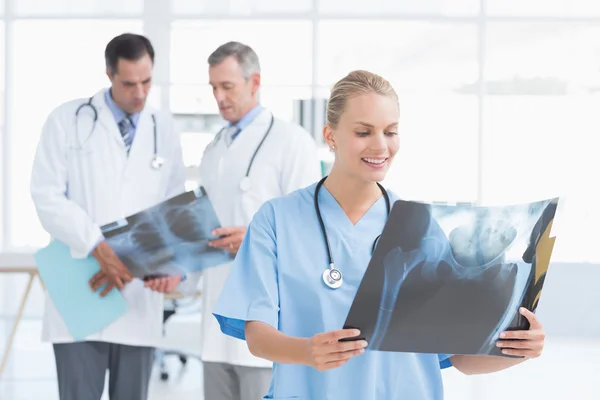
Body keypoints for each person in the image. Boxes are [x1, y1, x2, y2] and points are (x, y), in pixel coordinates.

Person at [211, 70, 547, 399]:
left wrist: (517, 349)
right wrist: (306, 351)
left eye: (390, 132)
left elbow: (459, 357)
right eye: (363, 132)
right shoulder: (277, 219)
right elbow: (258, 335)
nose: (380, 146)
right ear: (330, 136)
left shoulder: (423, 226)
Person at [30, 33, 187, 400]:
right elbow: (46, 195)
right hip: (82, 288)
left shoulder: (163, 128)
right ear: (109, 73)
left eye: (147, 81)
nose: (140, 92)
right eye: (129, 83)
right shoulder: (67, 120)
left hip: (137, 295)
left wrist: (167, 263)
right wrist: (97, 245)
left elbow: (175, 209)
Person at [195, 41, 322, 400]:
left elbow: (313, 226)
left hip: (268, 323)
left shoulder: (292, 141)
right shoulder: (214, 148)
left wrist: (254, 238)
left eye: (227, 86)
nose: (219, 97)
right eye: (214, 88)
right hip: (215, 321)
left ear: (254, 82)